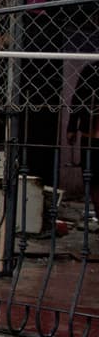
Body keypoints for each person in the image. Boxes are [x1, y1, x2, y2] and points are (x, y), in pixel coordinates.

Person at [66, 61, 99, 223]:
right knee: (91, 176)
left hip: (92, 130)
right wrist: (72, 126)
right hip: (91, 131)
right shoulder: (91, 69)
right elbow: (78, 97)